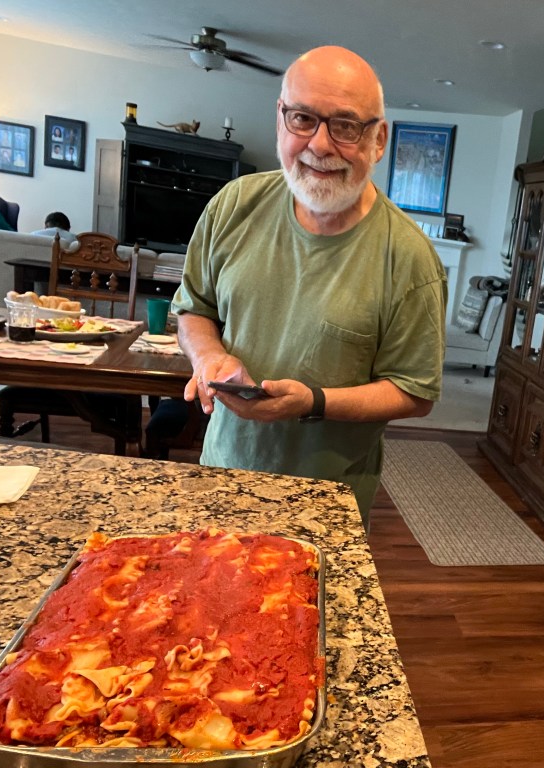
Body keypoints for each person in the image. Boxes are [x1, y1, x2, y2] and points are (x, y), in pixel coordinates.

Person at [172, 45, 447, 528]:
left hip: (328, 505)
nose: (319, 145)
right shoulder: (233, 206)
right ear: (280, 119)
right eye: (302, 119)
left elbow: (415, 391)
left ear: (379, 140)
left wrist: (314, 402)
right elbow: (195, 309)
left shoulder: (410, 258)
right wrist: (208, 356)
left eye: (345, 126)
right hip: (222, 476)